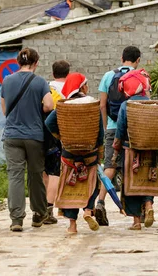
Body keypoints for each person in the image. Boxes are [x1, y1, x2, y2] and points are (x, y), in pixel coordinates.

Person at [1, 48, 54, 232]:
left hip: (12, 135)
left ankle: (16, 219)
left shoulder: (7, 81)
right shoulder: (40, 82)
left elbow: (5, 110)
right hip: (34, 136)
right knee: (35, 174)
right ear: (36, 63)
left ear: (18, 62)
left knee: (15, 175)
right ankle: (39, 214)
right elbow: (49, 105)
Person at [45, 73, 105, 233]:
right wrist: (99, 150)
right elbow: (100, 131)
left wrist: (61, 136)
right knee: (92, 183)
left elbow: (49, 122)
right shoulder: (92, 104)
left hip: (69, 153)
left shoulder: (65, 105)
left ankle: (72, 226)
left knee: (70, 187)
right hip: (89, 153)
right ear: (82, 87)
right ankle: (87, 211)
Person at [95, 45, 141, 226]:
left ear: (122, 58)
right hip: (134, 129)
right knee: (133, 167)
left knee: (110, 165)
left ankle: (100, 201)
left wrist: (107, 127)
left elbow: (102, 105)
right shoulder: (139, 76)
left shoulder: (108, 76)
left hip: (113, 128)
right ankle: (137, 213)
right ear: (138, 60)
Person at [112, 69, 158, 230]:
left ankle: (136, 222)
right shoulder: (152, 104)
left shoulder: (126, 105)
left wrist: (116, 148)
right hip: (150, 150)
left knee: (131, 184)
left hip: (131, 150)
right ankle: (148, 205)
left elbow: (120, 129)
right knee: (148, 179)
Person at [43, 60, 70, 225]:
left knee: (44, 171)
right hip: (61, 133)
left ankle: (44, 204)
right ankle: (49, 208)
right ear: (68, 73)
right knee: (55, 173)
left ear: (53, 73)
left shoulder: (46, 88)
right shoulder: (69, 90)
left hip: (42, 133)